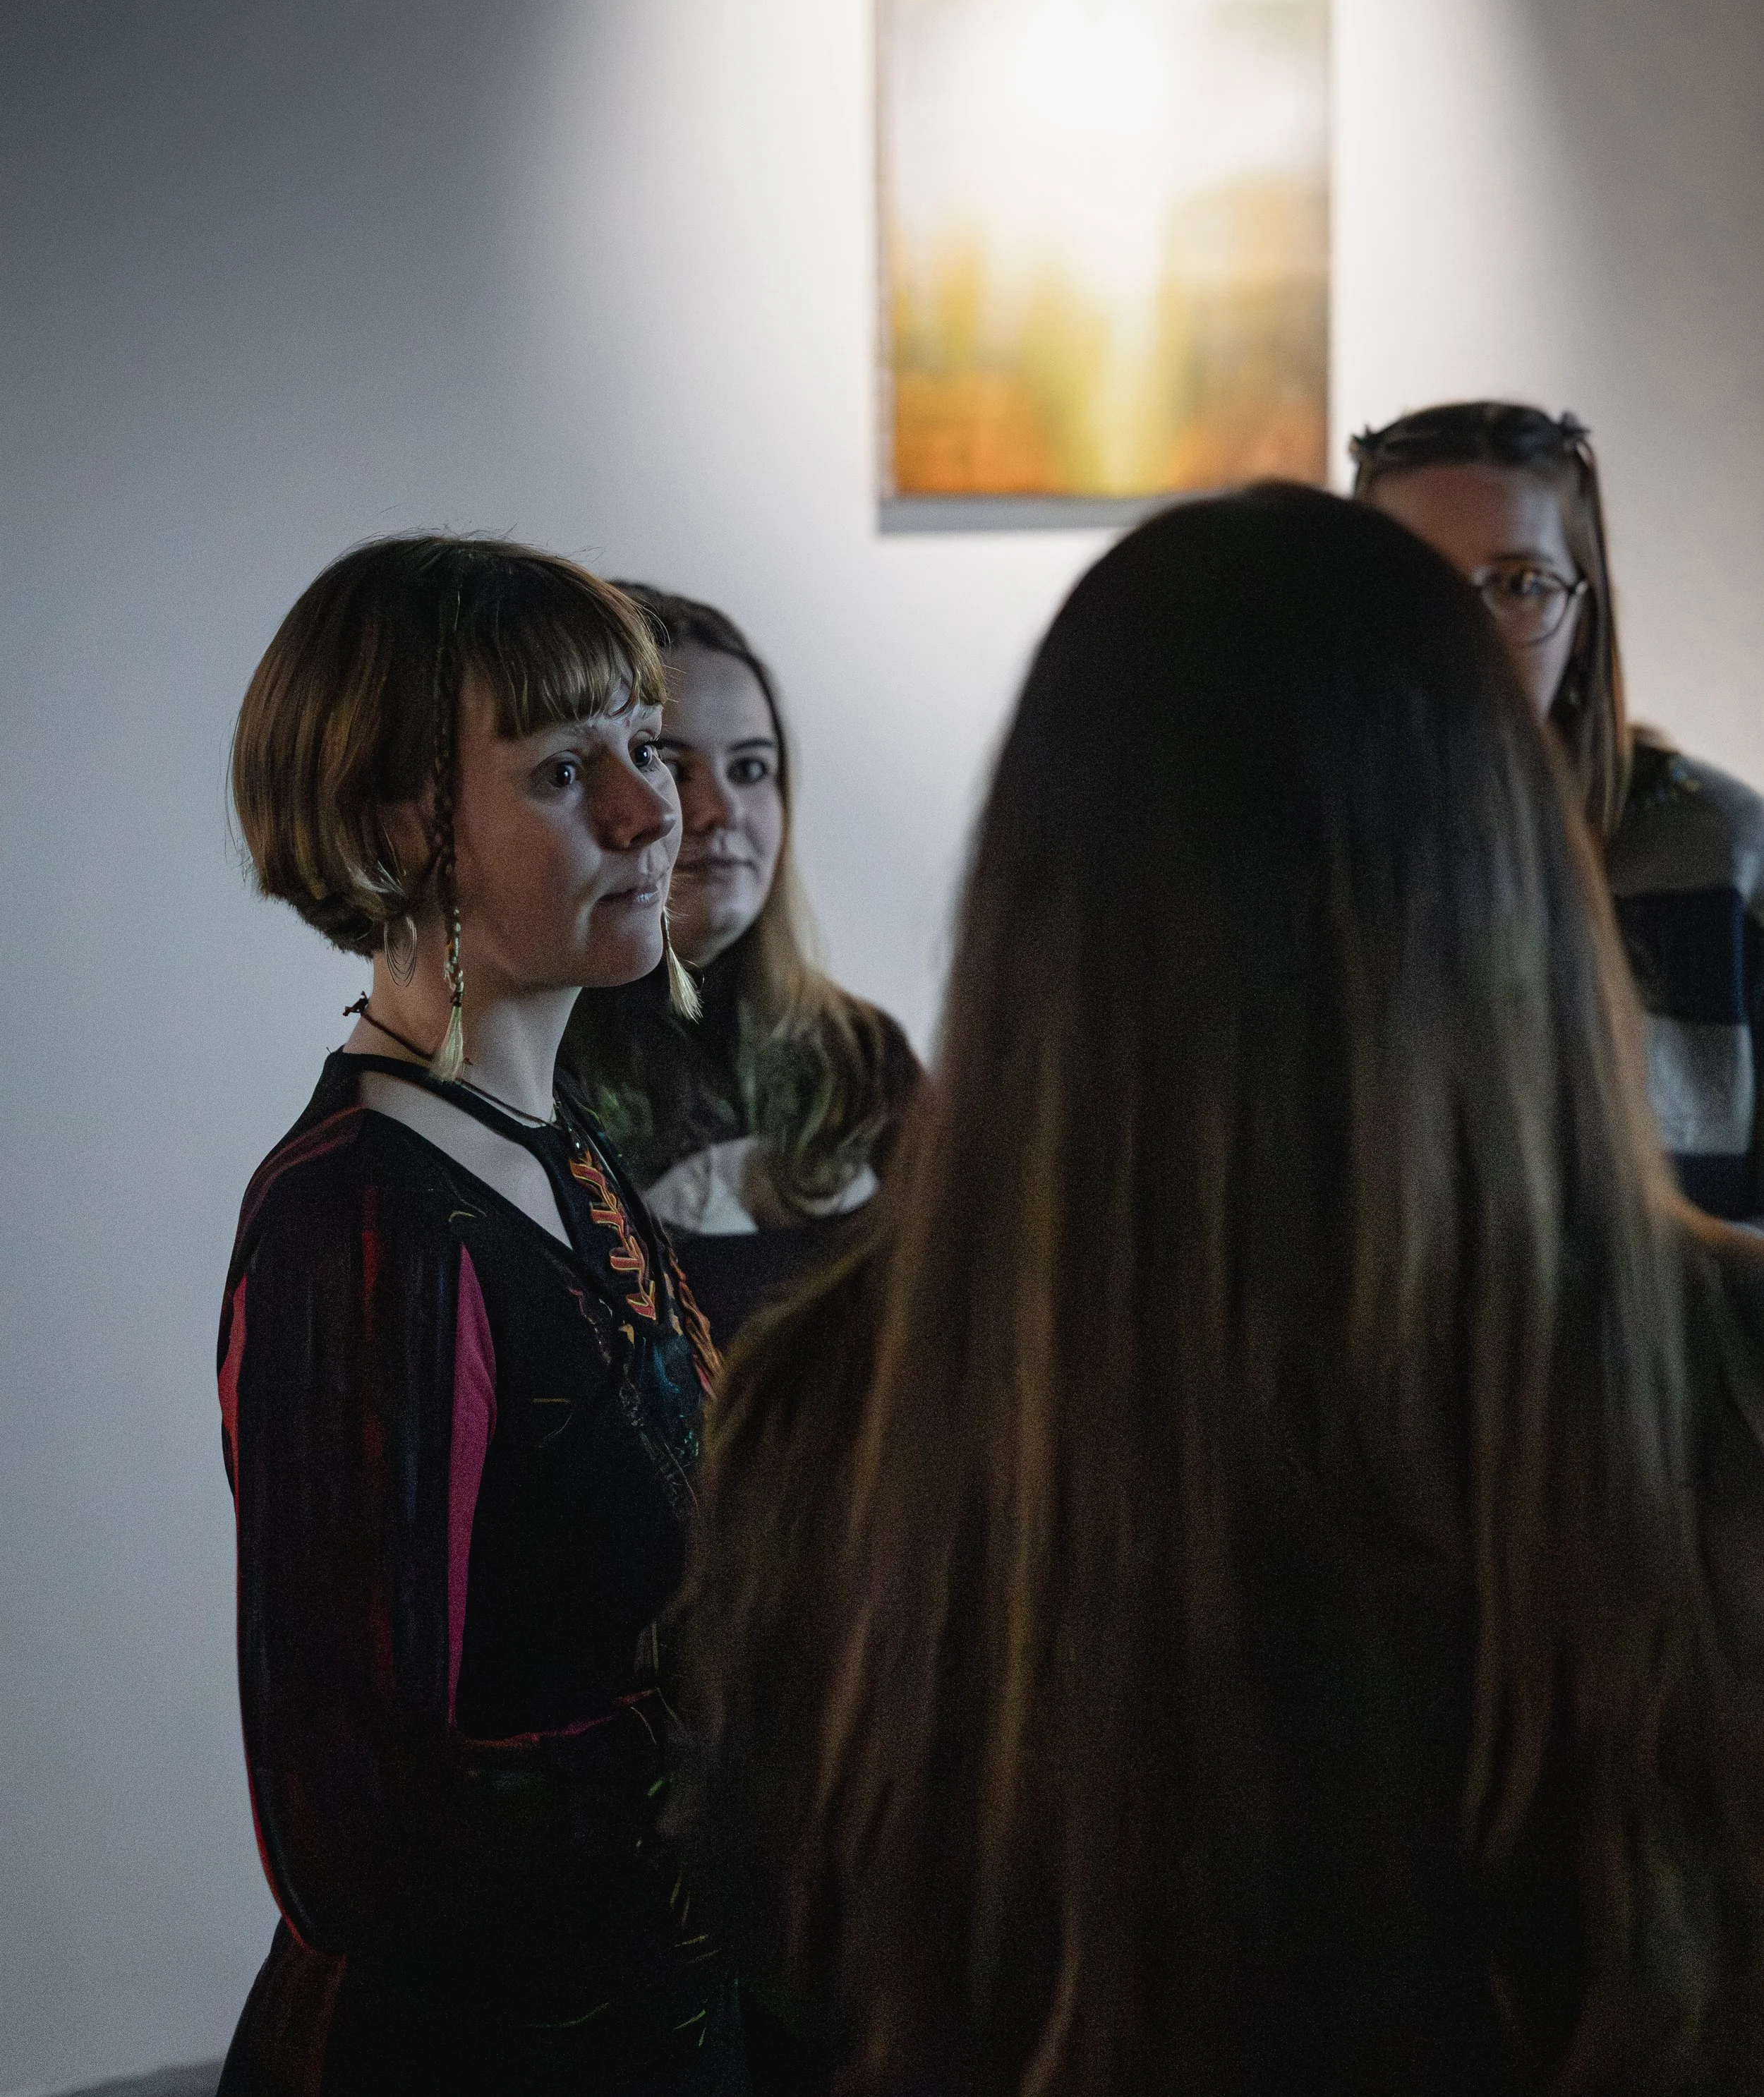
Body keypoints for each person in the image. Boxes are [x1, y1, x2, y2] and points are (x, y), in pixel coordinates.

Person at [679, 489, 1764, 2097]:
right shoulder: (1729, 1372)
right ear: (1514, 876)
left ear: (1043, 902)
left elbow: (791, 1986)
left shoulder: (824, 1417)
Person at [217, 535, 745, 2096]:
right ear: (405, 824)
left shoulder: (550, 1148)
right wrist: (760, 1723)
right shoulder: (361, 1223)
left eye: (640, 749)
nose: (657, 809)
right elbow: (353, 1826)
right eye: (564, 770)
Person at [1352, 401, 1764, 1222]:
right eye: (1417, 585)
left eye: (1519, 585)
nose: (1467, 629)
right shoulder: (1296, 855)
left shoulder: (1718, 850)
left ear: (1582, 619)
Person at [560, 588, 919, 1349]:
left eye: (752, 768)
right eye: (668, 764)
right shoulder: (534, 1075)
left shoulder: (861, 1054)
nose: (720, 811)